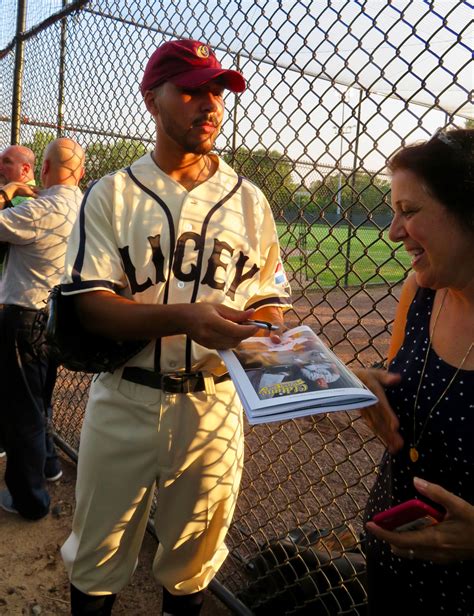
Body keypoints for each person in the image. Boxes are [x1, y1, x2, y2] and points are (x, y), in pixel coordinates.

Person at [59, 38, 291, 615]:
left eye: (216, 90)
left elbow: (269, 296)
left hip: (214, 406)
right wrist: (186, 317)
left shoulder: (250, 201)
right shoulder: (110, 194)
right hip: (125, 398)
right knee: (96, 562)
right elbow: (91, 304)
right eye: (190, 89)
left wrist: (266, 324)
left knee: (191, 571)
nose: (209, 104)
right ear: (151, 99)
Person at [358, 128, 474, 615]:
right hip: (391, 555)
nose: (393, 231)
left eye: (409, 211)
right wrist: (367, 388)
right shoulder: (420, 292)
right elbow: (396, 379)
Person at [0, 137, 85, 520]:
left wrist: (8, 191)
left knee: (25, 412)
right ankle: (49, 465)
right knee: (42, 400)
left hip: (25, 317)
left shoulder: (40, 208)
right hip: (60, 318)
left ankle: (29, 501)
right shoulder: (87, 206)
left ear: (43, 170)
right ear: (81, 173)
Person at [0, 145, 37, 459]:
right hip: (32, 303)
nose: (1, 166)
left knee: (21, 392)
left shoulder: (25, 201)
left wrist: (9, 191)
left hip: (22, 306)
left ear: (26, 170)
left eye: (7, 162)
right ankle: (46, 458)